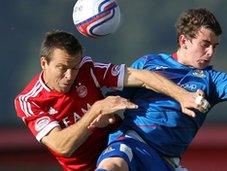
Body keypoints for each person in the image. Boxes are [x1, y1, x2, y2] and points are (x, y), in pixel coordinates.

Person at [95, 8, 227, 171]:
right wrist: (105, 115)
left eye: (215, 46)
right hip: (134, 142)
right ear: (184, 40)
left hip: (167, 162)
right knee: (112, 165)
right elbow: (114, 101)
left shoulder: (212, 79)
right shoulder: (148, 63)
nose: (210, 52)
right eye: (205, 44)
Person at [14, 30, 204, 171]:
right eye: (62, 68)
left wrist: (182, 96)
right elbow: (61, 146)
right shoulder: (29, 101)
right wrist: (95, 111)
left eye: (75, 67)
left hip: (122, 150)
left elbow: (141, 76)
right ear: (43, 63)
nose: (70, 75)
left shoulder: (87, 69)